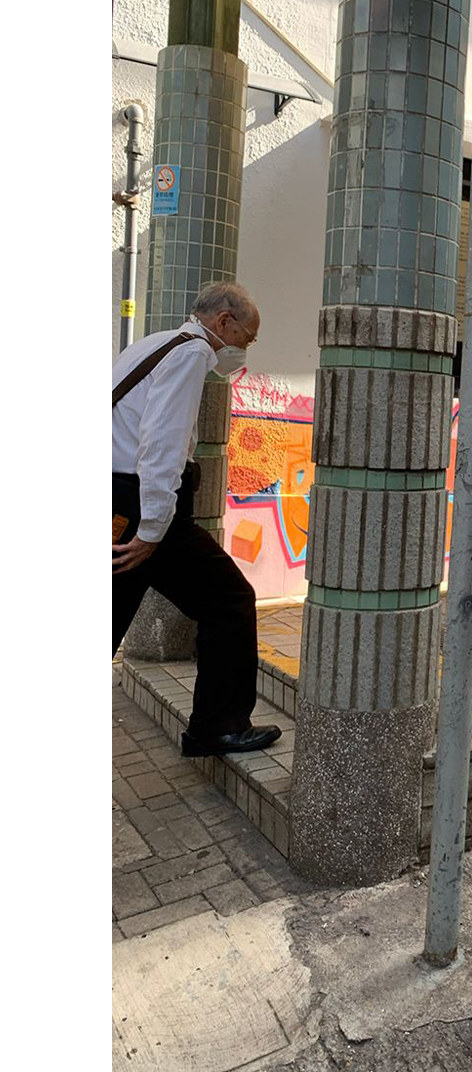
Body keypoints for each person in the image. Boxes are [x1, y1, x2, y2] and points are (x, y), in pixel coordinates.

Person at [112, 283, 281, 758]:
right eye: (247, 338)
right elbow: (161, 446)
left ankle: (215, 727)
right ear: (224, 321)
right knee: (230, 600)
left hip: (118, 498)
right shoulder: (191, 354)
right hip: (141, 506)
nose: (244, 349)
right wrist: (151, 530)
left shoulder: (152, 343)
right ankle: (217, 728)